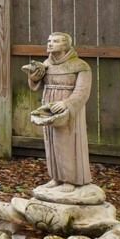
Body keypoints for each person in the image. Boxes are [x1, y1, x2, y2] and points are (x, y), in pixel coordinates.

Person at [23, 33, 93, 188]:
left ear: (65, 45)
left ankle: (71, 179)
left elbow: (83, 91)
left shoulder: (80, 66)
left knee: (66, 143)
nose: (49, 44)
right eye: (49, 41)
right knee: (51, 142)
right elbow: (36, 85)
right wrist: (33, 77)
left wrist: (66, 103)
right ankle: (56, 177)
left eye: (55, 41)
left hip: (68, 108)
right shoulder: (46, 64)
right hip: (49, 106)